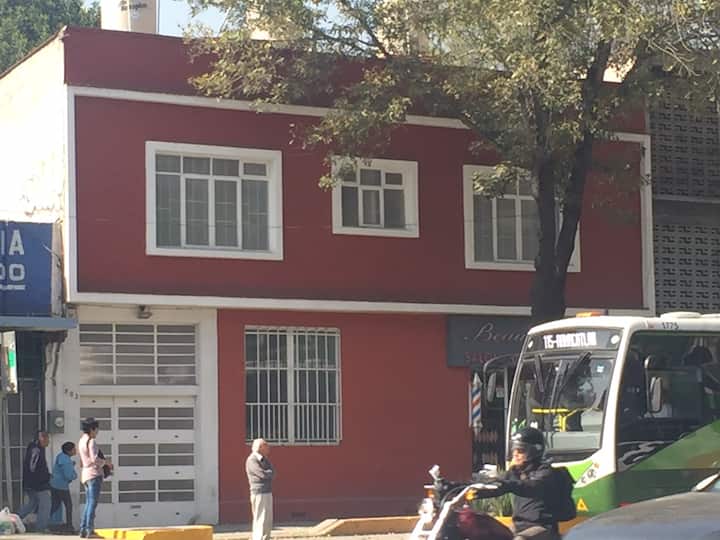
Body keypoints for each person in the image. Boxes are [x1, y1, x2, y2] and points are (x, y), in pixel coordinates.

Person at [497, 427, 563, 540]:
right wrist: (473, 488)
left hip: (542, 527)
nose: (515, 454)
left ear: (534, 451)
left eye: (520, 450)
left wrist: (509, 486)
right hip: (518, 526)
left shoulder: (545, 471)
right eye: (514, 450)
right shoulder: (515, 472)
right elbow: (498, 485)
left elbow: (533, 486)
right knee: (492, 534)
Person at [78, 418, 108, 539]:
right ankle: (89, 530)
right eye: (96, 429)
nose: (97, 432)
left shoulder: (81, 441)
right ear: (92, 429)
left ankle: (83, 529)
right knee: (92, 503)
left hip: (85, 474)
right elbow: (95, 459)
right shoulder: (91, 442)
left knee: (88, 503)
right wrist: (106, 463)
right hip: (94, 474)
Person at [17, 431, 52, 533]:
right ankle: (41, 527)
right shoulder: (36, 450)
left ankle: (14, 519)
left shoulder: (36, 449)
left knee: (32, 503)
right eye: (47, 438)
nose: (48, 441)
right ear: (41, 439)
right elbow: (33, 467)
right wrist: (44, 477)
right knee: (46, 504)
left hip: (31, 483)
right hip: (38, 484)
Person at [246, 438, 275, 540]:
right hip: (258, 492)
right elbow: (261, 474)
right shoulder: (252, 460)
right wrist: (268, 473)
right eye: (266, 446)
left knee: (268, 518)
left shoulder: (265, 459)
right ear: (260, 447)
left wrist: (268, 473)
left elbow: (273, 472)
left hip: (267, 491)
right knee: (260, 518)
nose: (268, 448)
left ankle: (266, 537)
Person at [50, 441, 78, 533]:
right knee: (68, 505)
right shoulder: (66, 461)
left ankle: (47, 522)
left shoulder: (60, 456)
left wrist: (71, 465)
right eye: (74, 449)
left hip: (54, 484)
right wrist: (75, 475)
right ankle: (69, 525)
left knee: (55, 505)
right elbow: (69, 475)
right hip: (62, 486)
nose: (75, 450)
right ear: (69, 451)